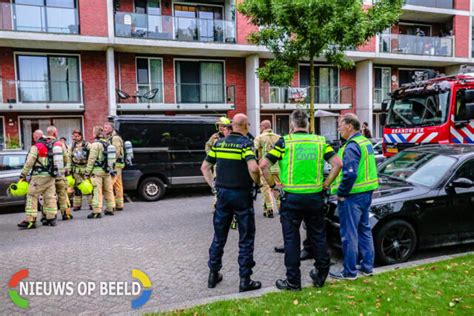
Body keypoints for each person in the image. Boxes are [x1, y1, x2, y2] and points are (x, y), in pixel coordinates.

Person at [260, 110, 342, 291]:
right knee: (318, 236)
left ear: (292, 124)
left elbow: (263, 165)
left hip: (292, 198)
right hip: (314, 197)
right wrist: (326, 184)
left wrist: (274, 186)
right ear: (308, 124)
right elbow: (338, 163)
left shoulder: (285, 142)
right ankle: (320, 275)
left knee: (291, 239)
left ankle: (293, 282)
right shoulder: (320, 141)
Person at [200, 113, 262, 292]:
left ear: (233, 125)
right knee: (246, 237)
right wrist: (256, 182)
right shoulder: (245, 144)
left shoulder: (219, 143)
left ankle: (213, 274)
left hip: (223, 196)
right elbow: (253, 167)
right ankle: (245, 280)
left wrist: (213, 185)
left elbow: (205, 167)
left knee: (219, 236)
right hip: (241, 195)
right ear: (246, 126)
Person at [329, 113, 379, 280]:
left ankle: (349, 272)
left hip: (352, 196)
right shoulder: (365, 142)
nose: (339, 128)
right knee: (364, 229)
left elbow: (350, 174)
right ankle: (367, 267)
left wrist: (342, 194)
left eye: (340, 125)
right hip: (366, 194)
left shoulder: (351, 146)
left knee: (349, 234)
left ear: (349, 126)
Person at [17, 129, 62, 229]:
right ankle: (51, 218)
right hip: (51, 176)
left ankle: (30, 220)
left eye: (34, 137)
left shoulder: (36, 146)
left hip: (39, 176)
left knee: (31, 195)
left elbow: (29, 162)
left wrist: (23, 174)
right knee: (50, 196)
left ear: (35, 137)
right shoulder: (52, 145)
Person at [84, 126, 115, 218]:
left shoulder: (95, 144)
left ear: (95, 134)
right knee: (109, 190)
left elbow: (91, 159)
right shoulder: (108, 143)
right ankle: (110, 208)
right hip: (107, 171)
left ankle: (96, 212)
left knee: (97, 191)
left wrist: (87, 172)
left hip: (97, 172)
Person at [254, 120, 281, 218]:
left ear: (264, 127)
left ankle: (269, 209)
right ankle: (280, 207)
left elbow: (254, 149)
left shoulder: (260, 138)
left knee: (265, 188)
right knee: (277, 187)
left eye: (260, 126)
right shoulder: (278, 137)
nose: (260, 128)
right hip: (277, 167)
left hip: (265, 167)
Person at [47, 126, 73, 221]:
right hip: (60, 174)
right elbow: (66, 158)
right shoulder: (60, 144)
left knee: (49, 196)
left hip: (49, 176)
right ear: (55, 133)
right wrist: (66, 168)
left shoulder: (44, 143)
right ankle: (66, 214)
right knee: (63, 194)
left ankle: (50, 216)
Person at [104, 122, 125, 211]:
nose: (104, 129)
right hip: (118, 165)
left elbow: (116, 152)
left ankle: (111, 206)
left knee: (109, 185)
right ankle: (119, 204)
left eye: (106, 127)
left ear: (111, 128)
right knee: (118, 185)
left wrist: (109, 164)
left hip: (115, 165)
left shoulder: (115, 138)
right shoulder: (110, 138)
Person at [69, 129, 91, 211]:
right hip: (76, 170)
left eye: (77, 136)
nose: (75, 138)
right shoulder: (71, 146)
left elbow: (92, 155)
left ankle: (91, 204)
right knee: (77, 188)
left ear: (81, 136)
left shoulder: (87, 145)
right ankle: (77, 205)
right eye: (74, 136)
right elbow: (69, 157)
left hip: (85, 169)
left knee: (88, 187)